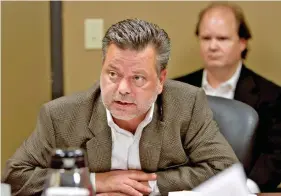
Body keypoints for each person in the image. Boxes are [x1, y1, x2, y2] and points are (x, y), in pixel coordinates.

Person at [2, 18, 238, 196]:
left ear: (161, 80)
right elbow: (14, 177)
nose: (123, 88)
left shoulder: (186, 104)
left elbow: (225, 170)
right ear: (102, 67)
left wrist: (149, 184)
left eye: (137, 78)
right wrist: (95, 182)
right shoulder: (61, 116)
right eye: (113, 74)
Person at [173, 2, 281, 192]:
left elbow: (276, 154)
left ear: (242, 42)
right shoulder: (175, 90)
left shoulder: (271, 95)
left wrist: (246, 188)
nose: (212, 46)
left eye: (222, 38)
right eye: (206, 38)